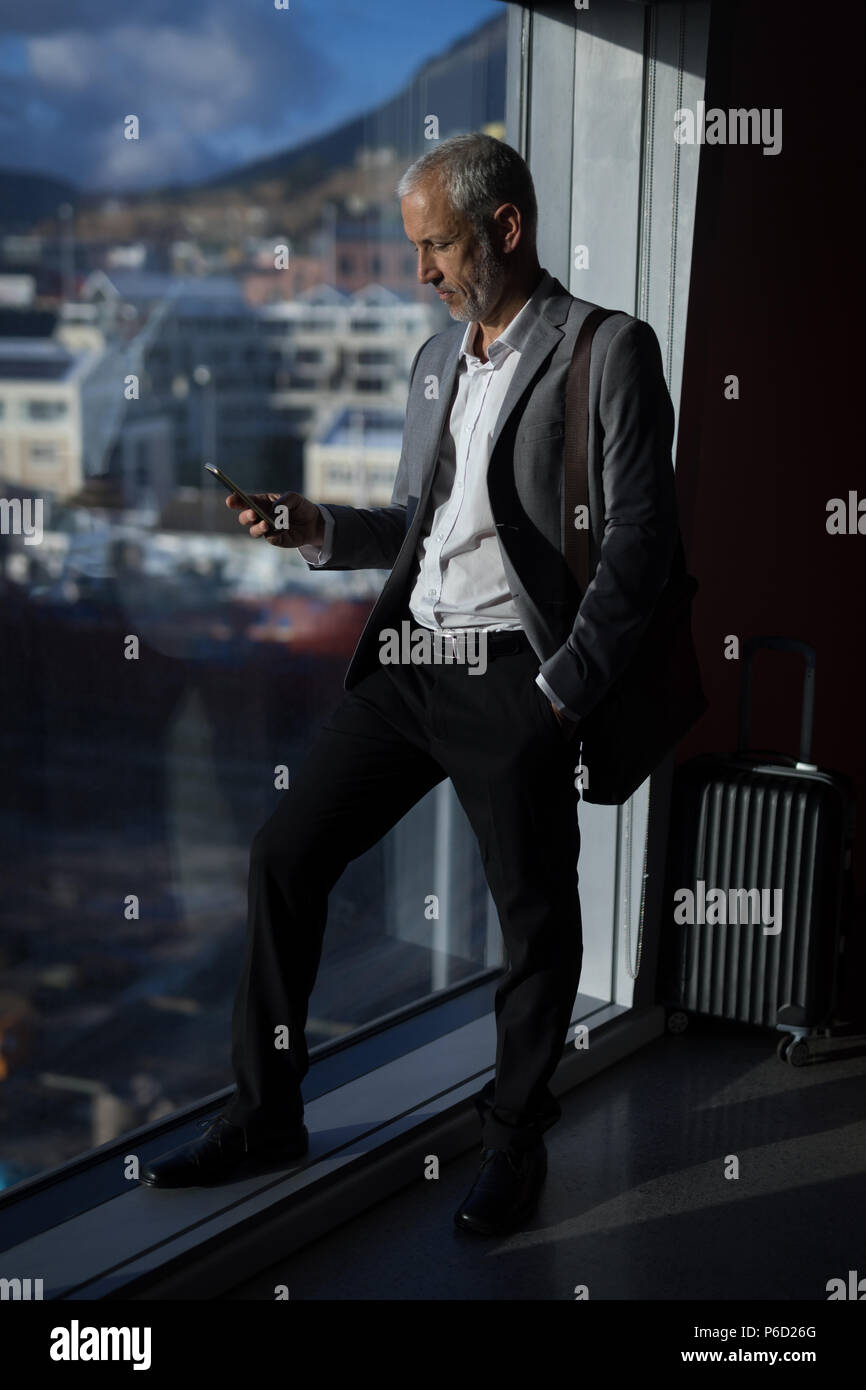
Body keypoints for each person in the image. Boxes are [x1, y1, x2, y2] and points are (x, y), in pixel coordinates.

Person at [141, 132, 679, 1237]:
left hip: (515, 680)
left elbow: (639, 550)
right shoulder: (436, 360)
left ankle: (513, 1139)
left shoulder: (607, 351)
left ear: (506, 230)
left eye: (435, 247)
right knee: (284, 854)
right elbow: (415, 527)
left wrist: (559, 695)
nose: (420, 271)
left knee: (534, 924)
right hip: (411, 663)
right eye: (415, 249)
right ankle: (266, 1114)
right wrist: (317, 527)